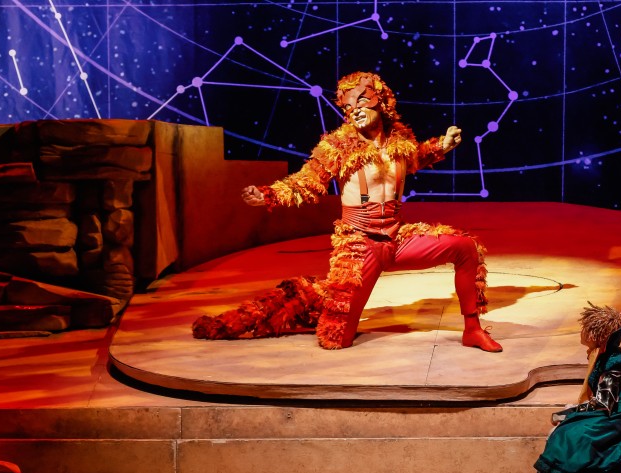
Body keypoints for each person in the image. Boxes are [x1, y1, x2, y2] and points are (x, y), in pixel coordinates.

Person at [192, 71, 501, 352]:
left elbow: (413, 160)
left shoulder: (400, 142)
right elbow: (307, 181)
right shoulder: (337, 146)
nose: (356, 110)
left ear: (382, 101)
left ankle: (472, 329)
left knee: (465, 247)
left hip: (397, 239)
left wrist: (440, 146)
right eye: (349, 106)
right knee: (335, 339)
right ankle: (308, 297)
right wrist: (268, 194)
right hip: (359, 246)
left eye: (362, 101)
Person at [531, 303, 621, 473]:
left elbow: (604, 403)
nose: (582, 332)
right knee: (563, 434)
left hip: (615, 418)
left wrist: (572, 412)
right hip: (606, 412)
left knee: (569, 437)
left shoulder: (616, 364)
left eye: (587, 329)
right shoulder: (602, 357)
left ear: (596, 335)